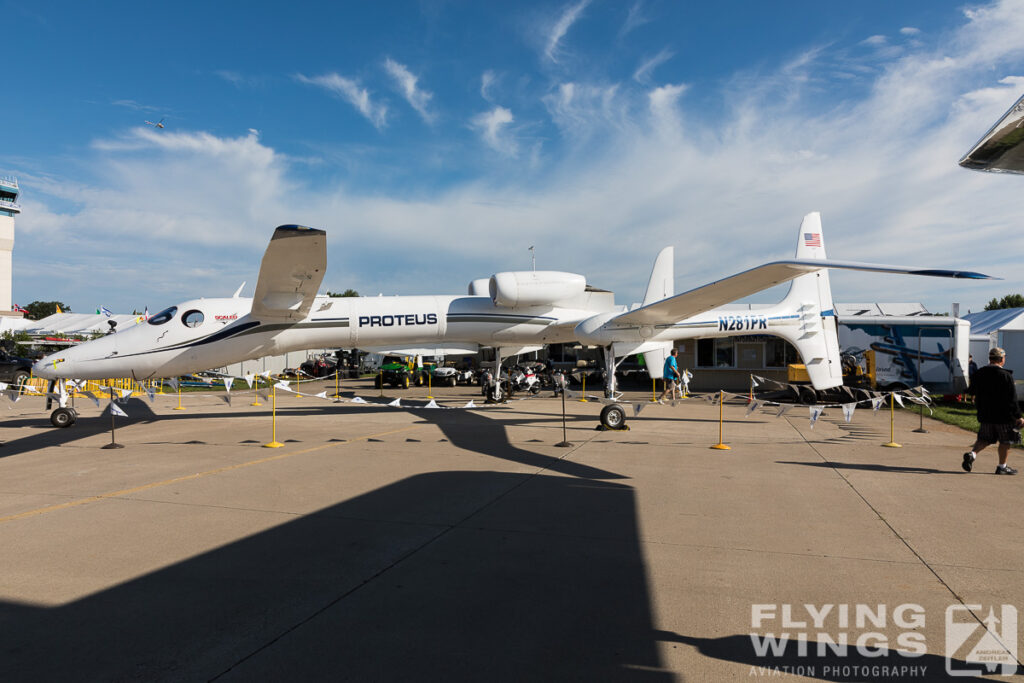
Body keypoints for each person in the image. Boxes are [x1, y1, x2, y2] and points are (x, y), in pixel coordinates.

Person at [962, 347, 1023, 475]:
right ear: (1001, 359)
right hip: (1004, 416)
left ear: (990, 358)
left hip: (985, 414)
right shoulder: (1006, 375)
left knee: (984, 438)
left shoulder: (979, 373)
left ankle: (972, 454)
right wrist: (1018, 416)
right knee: (1005, 441)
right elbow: (1012, 398)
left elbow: (971, 390)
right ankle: (1002, 466)